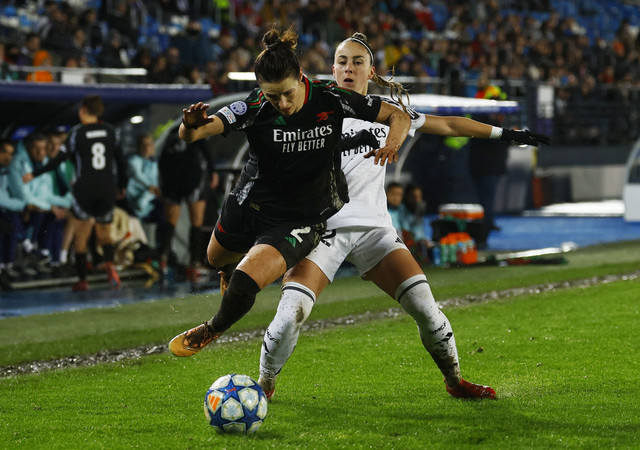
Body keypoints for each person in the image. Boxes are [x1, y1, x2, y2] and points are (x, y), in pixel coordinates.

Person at [256, 32, 550, 401]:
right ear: (332, 69)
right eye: (342, 61)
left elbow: (448, 124)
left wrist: (507, 133)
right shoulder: (311, 105)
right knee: (289, 316)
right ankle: (263, 387)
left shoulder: (389, 114)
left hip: (375, 231)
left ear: (370, 70)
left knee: (428, 311)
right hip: (321, 231)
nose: (349, 68)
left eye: (357, 62)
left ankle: (455, 381)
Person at [168, 27, 411, 357]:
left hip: (301, 215)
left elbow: (397, 115)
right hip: (250, 203)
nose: (281, 103)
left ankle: (212, 328)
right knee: (213, 258)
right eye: (272, 96)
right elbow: (194, 135)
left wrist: (392, 144)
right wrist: (190, 125)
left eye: (286, 93)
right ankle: (227, 269)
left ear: (300, 76)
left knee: (246, 279)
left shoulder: (331, 97)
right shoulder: (255, 105)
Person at [23, 95, 128, 291]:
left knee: (82, 235)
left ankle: (83, 280)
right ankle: (111, 268)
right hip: (106, 189)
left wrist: (34, 174)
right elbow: (121, 162)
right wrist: (122, 185)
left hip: (85, 190)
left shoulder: (77, 133)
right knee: (105, 234)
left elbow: (58, 160)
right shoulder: (110, 131)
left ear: (83, 110)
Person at [157, 127, 217, 282]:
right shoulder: (196, 131)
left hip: (172, 181)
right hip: (192, 177)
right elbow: (206, 153)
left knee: (170, 223)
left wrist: (164, 184)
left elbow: (162, 160)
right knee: (196, 221)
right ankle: (195, 263)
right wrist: (212, 172)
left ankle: (162, 260)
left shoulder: (171, 135)